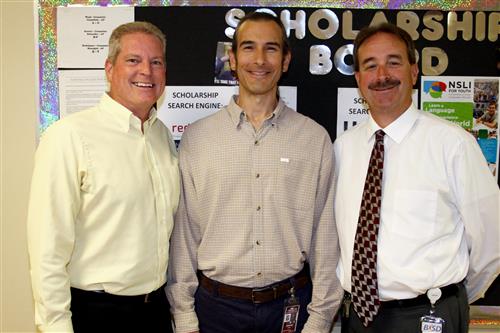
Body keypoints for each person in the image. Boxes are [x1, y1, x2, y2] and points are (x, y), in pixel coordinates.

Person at [166, 11, 342, 333]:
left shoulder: (314, 139)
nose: (259, 60)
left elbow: (325, 237)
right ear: (232, 59)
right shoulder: (197, 139)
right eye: (248, 48)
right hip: (215, 310)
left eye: (271, 48)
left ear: (286, 60)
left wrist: (318, 320)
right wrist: (184, 316)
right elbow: (184, 237)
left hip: (291, 307)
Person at [334, 22, 499, 333]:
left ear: (413, 71)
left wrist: (448, 296)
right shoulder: (343, 148)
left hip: (429, 316)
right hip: (357, 317)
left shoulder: (453, 144)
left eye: (393, 62)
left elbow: (491, 242)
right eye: (371, 65)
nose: (382, 75)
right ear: (358, 79)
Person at [27, 21, 179, 332]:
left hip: (155, 311)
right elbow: (47, 250)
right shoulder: (69, 136)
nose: (146, 72)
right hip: (97, 314)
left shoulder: (161, 137)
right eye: (133, 60)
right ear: (109, 69)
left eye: (156, 62)